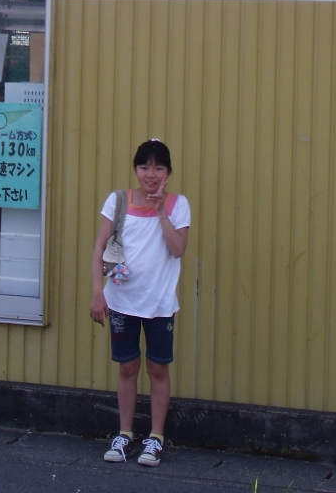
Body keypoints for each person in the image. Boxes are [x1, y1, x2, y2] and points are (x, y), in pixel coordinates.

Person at [89, 138, 191, 467]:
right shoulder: (118, 201)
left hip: (160, 303)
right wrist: (97, 291)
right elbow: (99, 248)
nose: (151, 174)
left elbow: (177, 249)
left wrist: (161, 211)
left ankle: (156, 438)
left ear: (169, 173)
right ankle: (124, 435)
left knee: (158, 368)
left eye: (158, 167)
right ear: (135, 169)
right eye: (144, 167)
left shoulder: (178, 205)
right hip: (121, 300)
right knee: (127, 367)